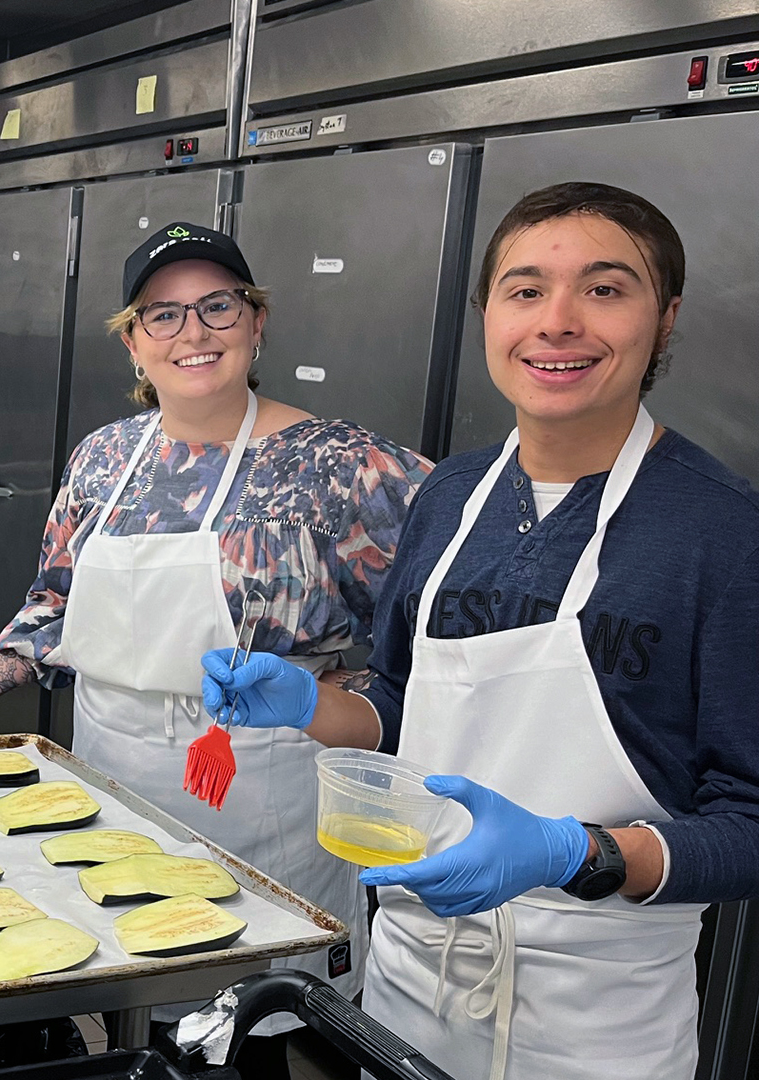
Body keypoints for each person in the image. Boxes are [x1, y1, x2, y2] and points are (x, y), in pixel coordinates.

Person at [203, 182, 759, 1080]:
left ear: (665, 319)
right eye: (526, 289)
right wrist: (311, 704)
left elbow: (751, 822)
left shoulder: (724, 534)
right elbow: (398, 704)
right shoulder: (450, 496)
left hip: (597, 1027)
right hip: (408, 989)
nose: (559, 321)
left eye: (605, 289)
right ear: (489, 315)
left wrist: (576, 853)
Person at [0, 222, 430, 1074]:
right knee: (126, 1016)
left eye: (217, 306)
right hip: (111, 789)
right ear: (134, 342)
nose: (193, 332)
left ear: (256, 322)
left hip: (260, 804)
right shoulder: (104, 457)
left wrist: (350, 690)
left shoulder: (344, 466)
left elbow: (437, 618)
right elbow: (57, 597)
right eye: (163, 314)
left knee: (253, 1033)